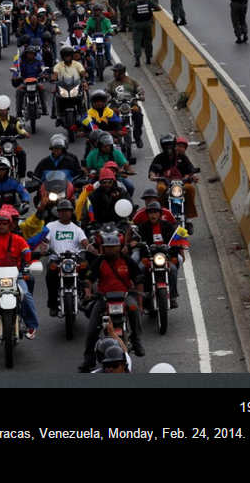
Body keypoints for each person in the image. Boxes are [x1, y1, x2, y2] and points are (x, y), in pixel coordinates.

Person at [79, 231, 145, 371]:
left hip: (125, 296)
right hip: (104, 298)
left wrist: (140, 304)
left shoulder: (127, 260)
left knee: (135, 312)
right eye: (107, 246)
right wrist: (89, 292)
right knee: (91, 329)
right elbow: (89, 279)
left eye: (112, 246)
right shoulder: (99, 261)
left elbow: (138, 281)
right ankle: (88, 358)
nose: (109, 249)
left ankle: (136, 341)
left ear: (119, 246)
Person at [0, 208, 40, 338]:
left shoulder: (18, 239)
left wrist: (31, 259)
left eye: (4, 223)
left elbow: (27, 252)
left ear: (10, 224)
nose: (1, 226)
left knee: (26, 294)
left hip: (15, 274)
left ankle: (31, 326)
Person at [33, 199, 90, 315]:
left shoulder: (77, 229)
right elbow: (44, 241)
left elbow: (85, 243)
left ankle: (85, 295)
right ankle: (53, 305)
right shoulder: (50, 226)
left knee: (85, 267)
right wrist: (43, 250)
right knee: (50, 275)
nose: (64, 213)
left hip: (74, 258)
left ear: (71, 212)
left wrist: (92, 249)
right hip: (56, 259)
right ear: (57, 213)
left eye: (67, 211)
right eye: (61, 211)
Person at [149, 133, 199, 219]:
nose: (168, 147)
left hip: (181, 183)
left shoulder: (182, 157)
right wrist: (153, 175)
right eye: (166, 145)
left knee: (190, 189)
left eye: (170, 144)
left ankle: (189, 218)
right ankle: (163, 212)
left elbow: (190, 168)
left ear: (174, 144)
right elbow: (152, 171)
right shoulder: (159, 158)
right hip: (164, 182)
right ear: (162, 146)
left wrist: (193, 176)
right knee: (161, 189)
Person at [106, 64, 144, 149]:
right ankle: (113, 137)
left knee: (138, 114)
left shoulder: (132, 81)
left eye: (115, 71)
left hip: (131, 104)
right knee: (109, 116)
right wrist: (107, 97)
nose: (114, 73)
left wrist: (141, 95)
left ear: (121, 72)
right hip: (116, 104)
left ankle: (138, 138)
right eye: (113, 72)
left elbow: (139, 89)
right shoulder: (111, 83)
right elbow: (107, 92)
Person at [128, 0, 161, 67]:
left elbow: (126, 6)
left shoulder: (134, 3)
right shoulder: (148, 2)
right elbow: (158, 8)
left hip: (137, 25)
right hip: (147, 25)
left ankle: (137, 59)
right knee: (148, 41)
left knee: (137, 42)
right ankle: (148, 59)